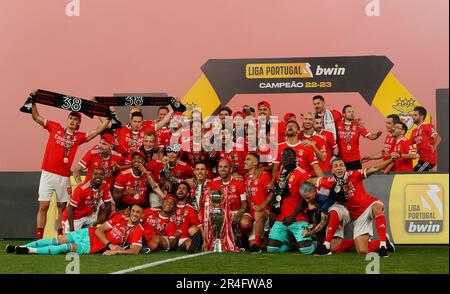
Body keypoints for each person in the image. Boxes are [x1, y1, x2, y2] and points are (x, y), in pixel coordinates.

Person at [31, 97, 110, 239]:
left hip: (63, 176)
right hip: (47, 174)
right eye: (71, 118)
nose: (73, 121)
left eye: (76, 120)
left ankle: (60, 236)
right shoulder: (54, 127)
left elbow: (98, 130)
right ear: (67, 119)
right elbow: (36, 117)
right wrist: (33, 100)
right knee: (43, 207)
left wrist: (108, 117)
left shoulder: (79, 137)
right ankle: (39, 238)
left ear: (79, 123)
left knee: (62, 207)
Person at [309, 157, 396, 257]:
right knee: (362, 250)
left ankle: (383, 245)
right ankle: (326, 246)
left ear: (345, 168)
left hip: (367, 207)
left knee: (377, 207)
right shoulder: (330, 181)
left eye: (341, 165)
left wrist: (391, 160)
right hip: (351, 213)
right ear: (332, 170)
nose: (339, 168)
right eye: (335, 166)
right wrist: (309, 197)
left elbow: (375, 168)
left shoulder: (354, 174)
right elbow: (311, 181)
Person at [8, 204, 145, 255]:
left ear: (141, 215)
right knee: (58, 239)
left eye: (137, 212)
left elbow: (135, 250)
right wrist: (110, 245)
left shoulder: (138, 229)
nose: (134, 214)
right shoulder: (120, 218)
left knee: (65, 247)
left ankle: (29, 250)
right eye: (133, 211)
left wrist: (117, 252)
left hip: (92, 246)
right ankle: (19, 247)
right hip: (87, 233)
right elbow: (98, 230)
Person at [266, 148, 317, 254]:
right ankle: (290, 245)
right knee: (271, 249)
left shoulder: (302, 174)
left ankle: (315, 243)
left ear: (295, 158)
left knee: (306, 251)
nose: (285, 158)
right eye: (283, 156)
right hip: (282, 219)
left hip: (299, 218)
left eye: (288, 156)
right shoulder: (282, 171)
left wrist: (293, 216)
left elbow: (306, 198)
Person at [202, 158, 251, 251]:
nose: (222, 169)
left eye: (225, 167)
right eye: (220, 167)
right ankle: (216, 242)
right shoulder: (213, 183)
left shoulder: (239, 183)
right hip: (221, 213)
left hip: (237, 212)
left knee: (245, 223)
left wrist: (237, 215)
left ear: (231, 169)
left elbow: (244, 205)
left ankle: (244, 242)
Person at [61, 168, 112, 234]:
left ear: (103, 176)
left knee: (87, 240)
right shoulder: (82, 189)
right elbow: (71, 209)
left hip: (88, 217)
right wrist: (72, 231)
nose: (98, 176)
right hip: (74, 218)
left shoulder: (104, 186)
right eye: (96, 174)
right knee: (70, 241)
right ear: (91, 176)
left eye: (101, 174)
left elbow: (108, 205)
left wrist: (102, 217)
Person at [336, 105, 382, 170]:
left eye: (352, 112)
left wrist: (377, 134)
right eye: (349, 112)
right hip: (341, 160)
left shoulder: (358, 125)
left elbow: (371, 136)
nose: (351, 113)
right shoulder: (337, 124)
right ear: (343, 114)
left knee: (356, 180)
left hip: (355, 160)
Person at [244, 153, 272, 252]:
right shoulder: (246, 177)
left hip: (265, 212)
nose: (244, 162)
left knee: (258, 213)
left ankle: (258, 242)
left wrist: (262, 206)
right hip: (253, 215)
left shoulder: (264, 175)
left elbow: (272, 192)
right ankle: (259, 241)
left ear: (255, 162)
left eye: (248, 159)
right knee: (244, 223)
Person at [170, 182, 202, 253]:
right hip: (170, 238)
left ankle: (191, 248)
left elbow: (199, 226)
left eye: (184, 188)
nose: (181, 190)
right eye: (179, 188)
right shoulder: (169, 205)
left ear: (187, 194)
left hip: (183, 238)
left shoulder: (190, 209)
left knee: (188, 242)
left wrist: (205, 242)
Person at [410, 106, 442, 172]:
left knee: (416, 174)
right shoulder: (414, 131)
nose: (413, 117)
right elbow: (409, 144)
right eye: (413, 115)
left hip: (428, 160)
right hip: (421, 159)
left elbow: (438, 138)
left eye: (415, 115)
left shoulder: (427, 126)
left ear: (421, 116)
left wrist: (433, 147)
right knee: (414, 173)